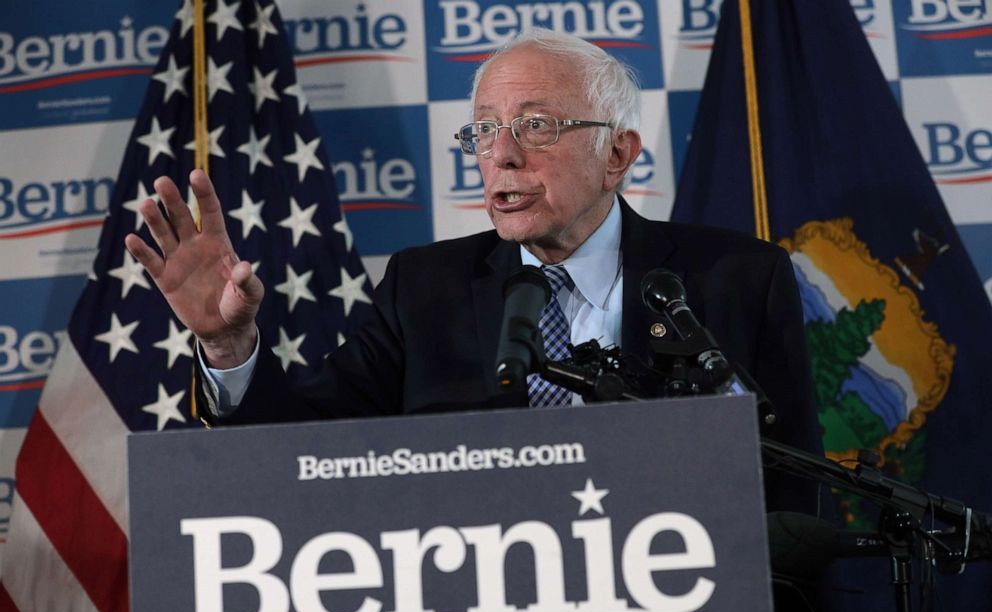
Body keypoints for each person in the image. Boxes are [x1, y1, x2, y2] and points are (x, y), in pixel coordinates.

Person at [125, 29, 821, 513]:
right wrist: (228, 346)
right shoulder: (423, 289)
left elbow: (791, 492)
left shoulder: (738, 279)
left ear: (617, 155)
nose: (503, 156)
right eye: (485, 130)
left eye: (537, 125)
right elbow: (306, 448)